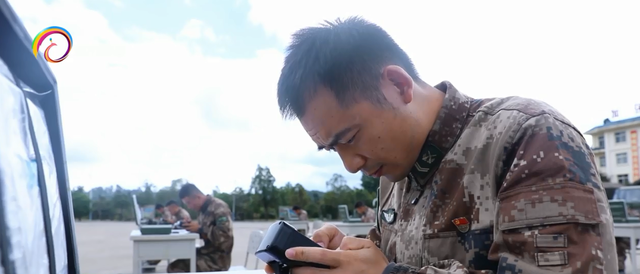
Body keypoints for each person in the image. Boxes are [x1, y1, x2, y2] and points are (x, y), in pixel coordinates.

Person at [265, 17, 617, 274]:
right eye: (332, 149)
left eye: (350, 138)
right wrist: (343, 253)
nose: (351, 165)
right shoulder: (393, 176)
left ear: (399, 85)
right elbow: (388, 254)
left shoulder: (529, 136)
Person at [167, 183, 234, 273]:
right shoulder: (202, 210)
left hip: (218, 259)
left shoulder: (219, 207)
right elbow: (205, 233)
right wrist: (190, 227)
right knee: (181, 257)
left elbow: (224, 237)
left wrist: (200, 229)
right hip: (207, 252)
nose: (189, 207)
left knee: (174, 268)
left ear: (197, 197)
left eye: (189, 203)